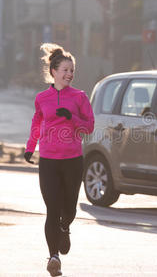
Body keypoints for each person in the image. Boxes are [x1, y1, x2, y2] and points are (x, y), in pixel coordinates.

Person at [24, 43, 95, 276]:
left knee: (69, 209)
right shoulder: (41, 98)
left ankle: (66, 227)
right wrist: (30, 147)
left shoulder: (79, 97)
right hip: (48, 161)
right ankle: (53, 257)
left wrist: (72, 117)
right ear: (54, 71)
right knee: (52, 210)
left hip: (72, 160)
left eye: (72, 70)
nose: (69, 74)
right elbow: (37, 123)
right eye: (65, 69)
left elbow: (89, 127)